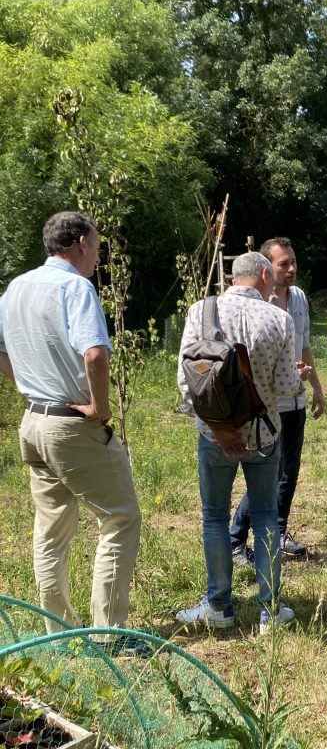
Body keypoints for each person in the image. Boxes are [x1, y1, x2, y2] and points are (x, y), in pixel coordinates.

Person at [0, 211, 148, 656]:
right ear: (81, 242)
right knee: (120, 517)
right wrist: (100, 409)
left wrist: (32, 385)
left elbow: (1, 354)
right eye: (98, 246)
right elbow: (96, 355)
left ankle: (58, 630)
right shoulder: (75, 288)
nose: (99, 256)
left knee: (51, 528)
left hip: (34, 422)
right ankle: (110, 635)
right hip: (72, 424)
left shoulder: (15, 289)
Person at [176, 252, 303, 632]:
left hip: (214, 435)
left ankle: (219, 606)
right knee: (266, 516)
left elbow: (186, 383)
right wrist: (300, 377)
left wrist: (220, 431)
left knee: (214, 516)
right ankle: (270, 610)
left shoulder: (201, 311)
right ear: (265, 275)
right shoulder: (279, 318)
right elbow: (284, 387)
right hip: (263, 435)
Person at [229, 237, 325, 564]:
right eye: (284, 263)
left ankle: (279, 532)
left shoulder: (298, 298)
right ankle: (236, 539)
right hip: (265, 406)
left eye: (293, 261)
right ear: (267, 268)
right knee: (267, 475)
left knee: (289, 473)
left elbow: (305, 344)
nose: (292, 268)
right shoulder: (257, 304)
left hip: (295, 401)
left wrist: (316, 387)